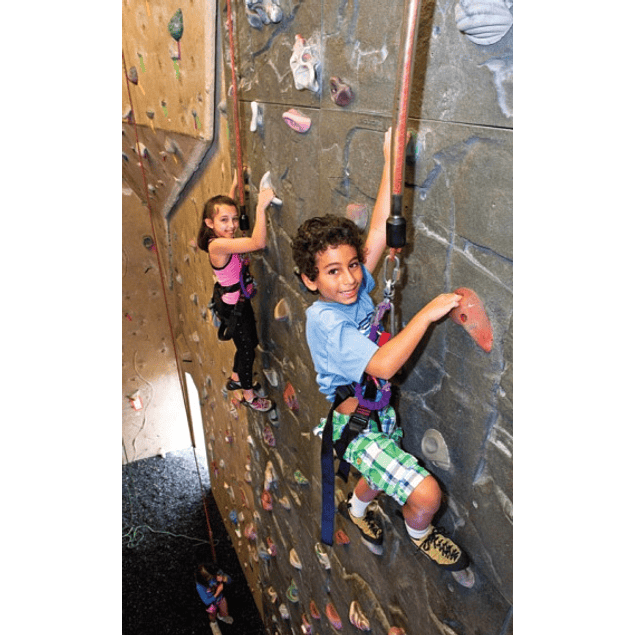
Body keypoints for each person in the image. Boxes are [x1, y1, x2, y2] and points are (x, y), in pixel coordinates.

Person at [291, 129, 469, 573]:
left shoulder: (349, 290)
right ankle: (420, 532)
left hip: (372, 408)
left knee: (376, 475)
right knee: (426, 494)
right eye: (333, 271)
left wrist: (393, 160)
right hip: (355, 420)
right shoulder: (327, 320)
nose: (350, 278)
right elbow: (386, 363)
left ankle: (356, 507)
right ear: (311, 280)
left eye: (352, 265)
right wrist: (427, 314)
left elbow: (375, 230)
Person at [197, 174, 274, 412]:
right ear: (210, 223)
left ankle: (236, 378)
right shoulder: (218, 245)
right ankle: (249, 396)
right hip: (234, 308)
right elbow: (258, 242)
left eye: (233, 219)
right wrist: (261, 206)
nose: (231, 226)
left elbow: (225, 211)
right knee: (247, 348)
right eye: (224, 221)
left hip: (233, 301)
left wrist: (233, 185)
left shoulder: (219, 236)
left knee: (245, 343)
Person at [195, 565, 233, 633]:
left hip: (220, 598)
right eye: (208, 578)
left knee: (225, 612)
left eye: (211, 576)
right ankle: (213, 624)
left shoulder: (216, 573)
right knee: (212, 614)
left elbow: (229, 580)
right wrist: (217, 593)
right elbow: (206, 601)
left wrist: (224, 578)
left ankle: (221, 616)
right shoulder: (199, 586)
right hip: (211, 604)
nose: (211, 579)